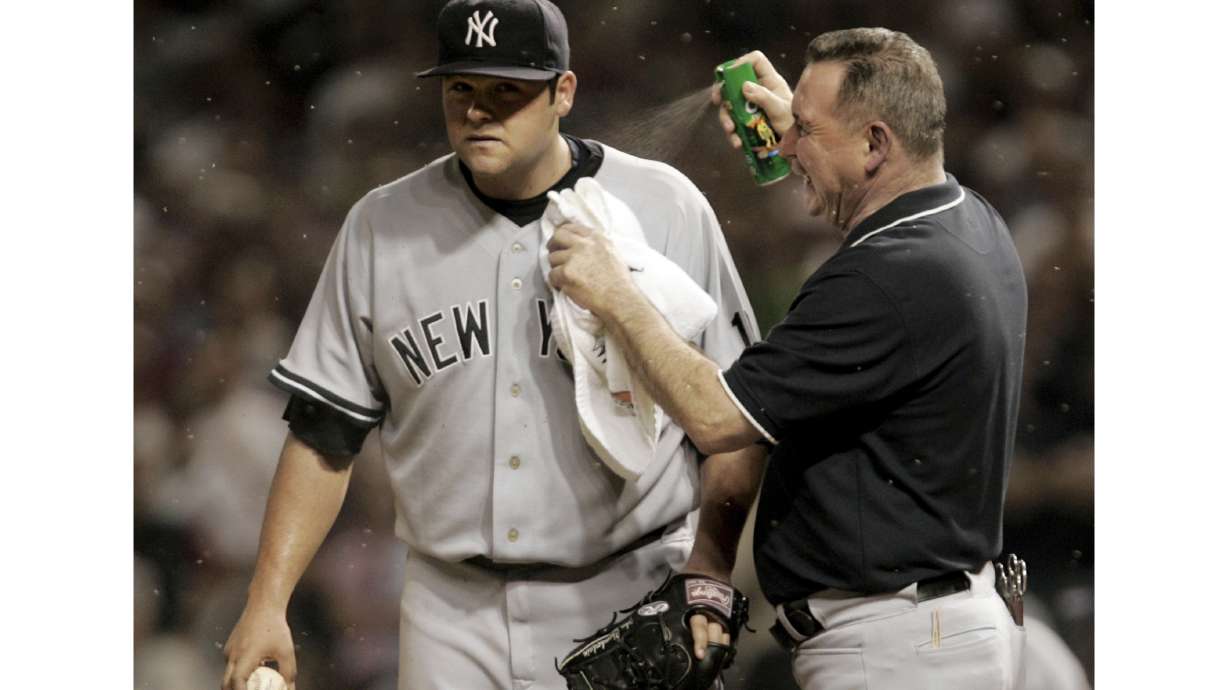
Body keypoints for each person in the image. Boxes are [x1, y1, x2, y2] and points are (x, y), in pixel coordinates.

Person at [219, 0, 766, 688]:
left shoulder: (664, 206)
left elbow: (738, 420)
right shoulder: (381, 227)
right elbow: (323, 435)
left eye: (507, 89)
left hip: (630, 586)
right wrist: (267, 601)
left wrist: (710, 568)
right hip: (450, 611)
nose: (479, 111)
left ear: (563, 92)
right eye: (462, 89)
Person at [547, 28, 1028, 689]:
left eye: (805, 130)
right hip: (935, 622)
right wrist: (810, 117)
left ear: (876, 144)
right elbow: (886, 207)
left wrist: (617, 294)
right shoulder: (967, 219)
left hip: (899, 646)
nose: (789, 145)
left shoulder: (885, 280)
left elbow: (716, 418)